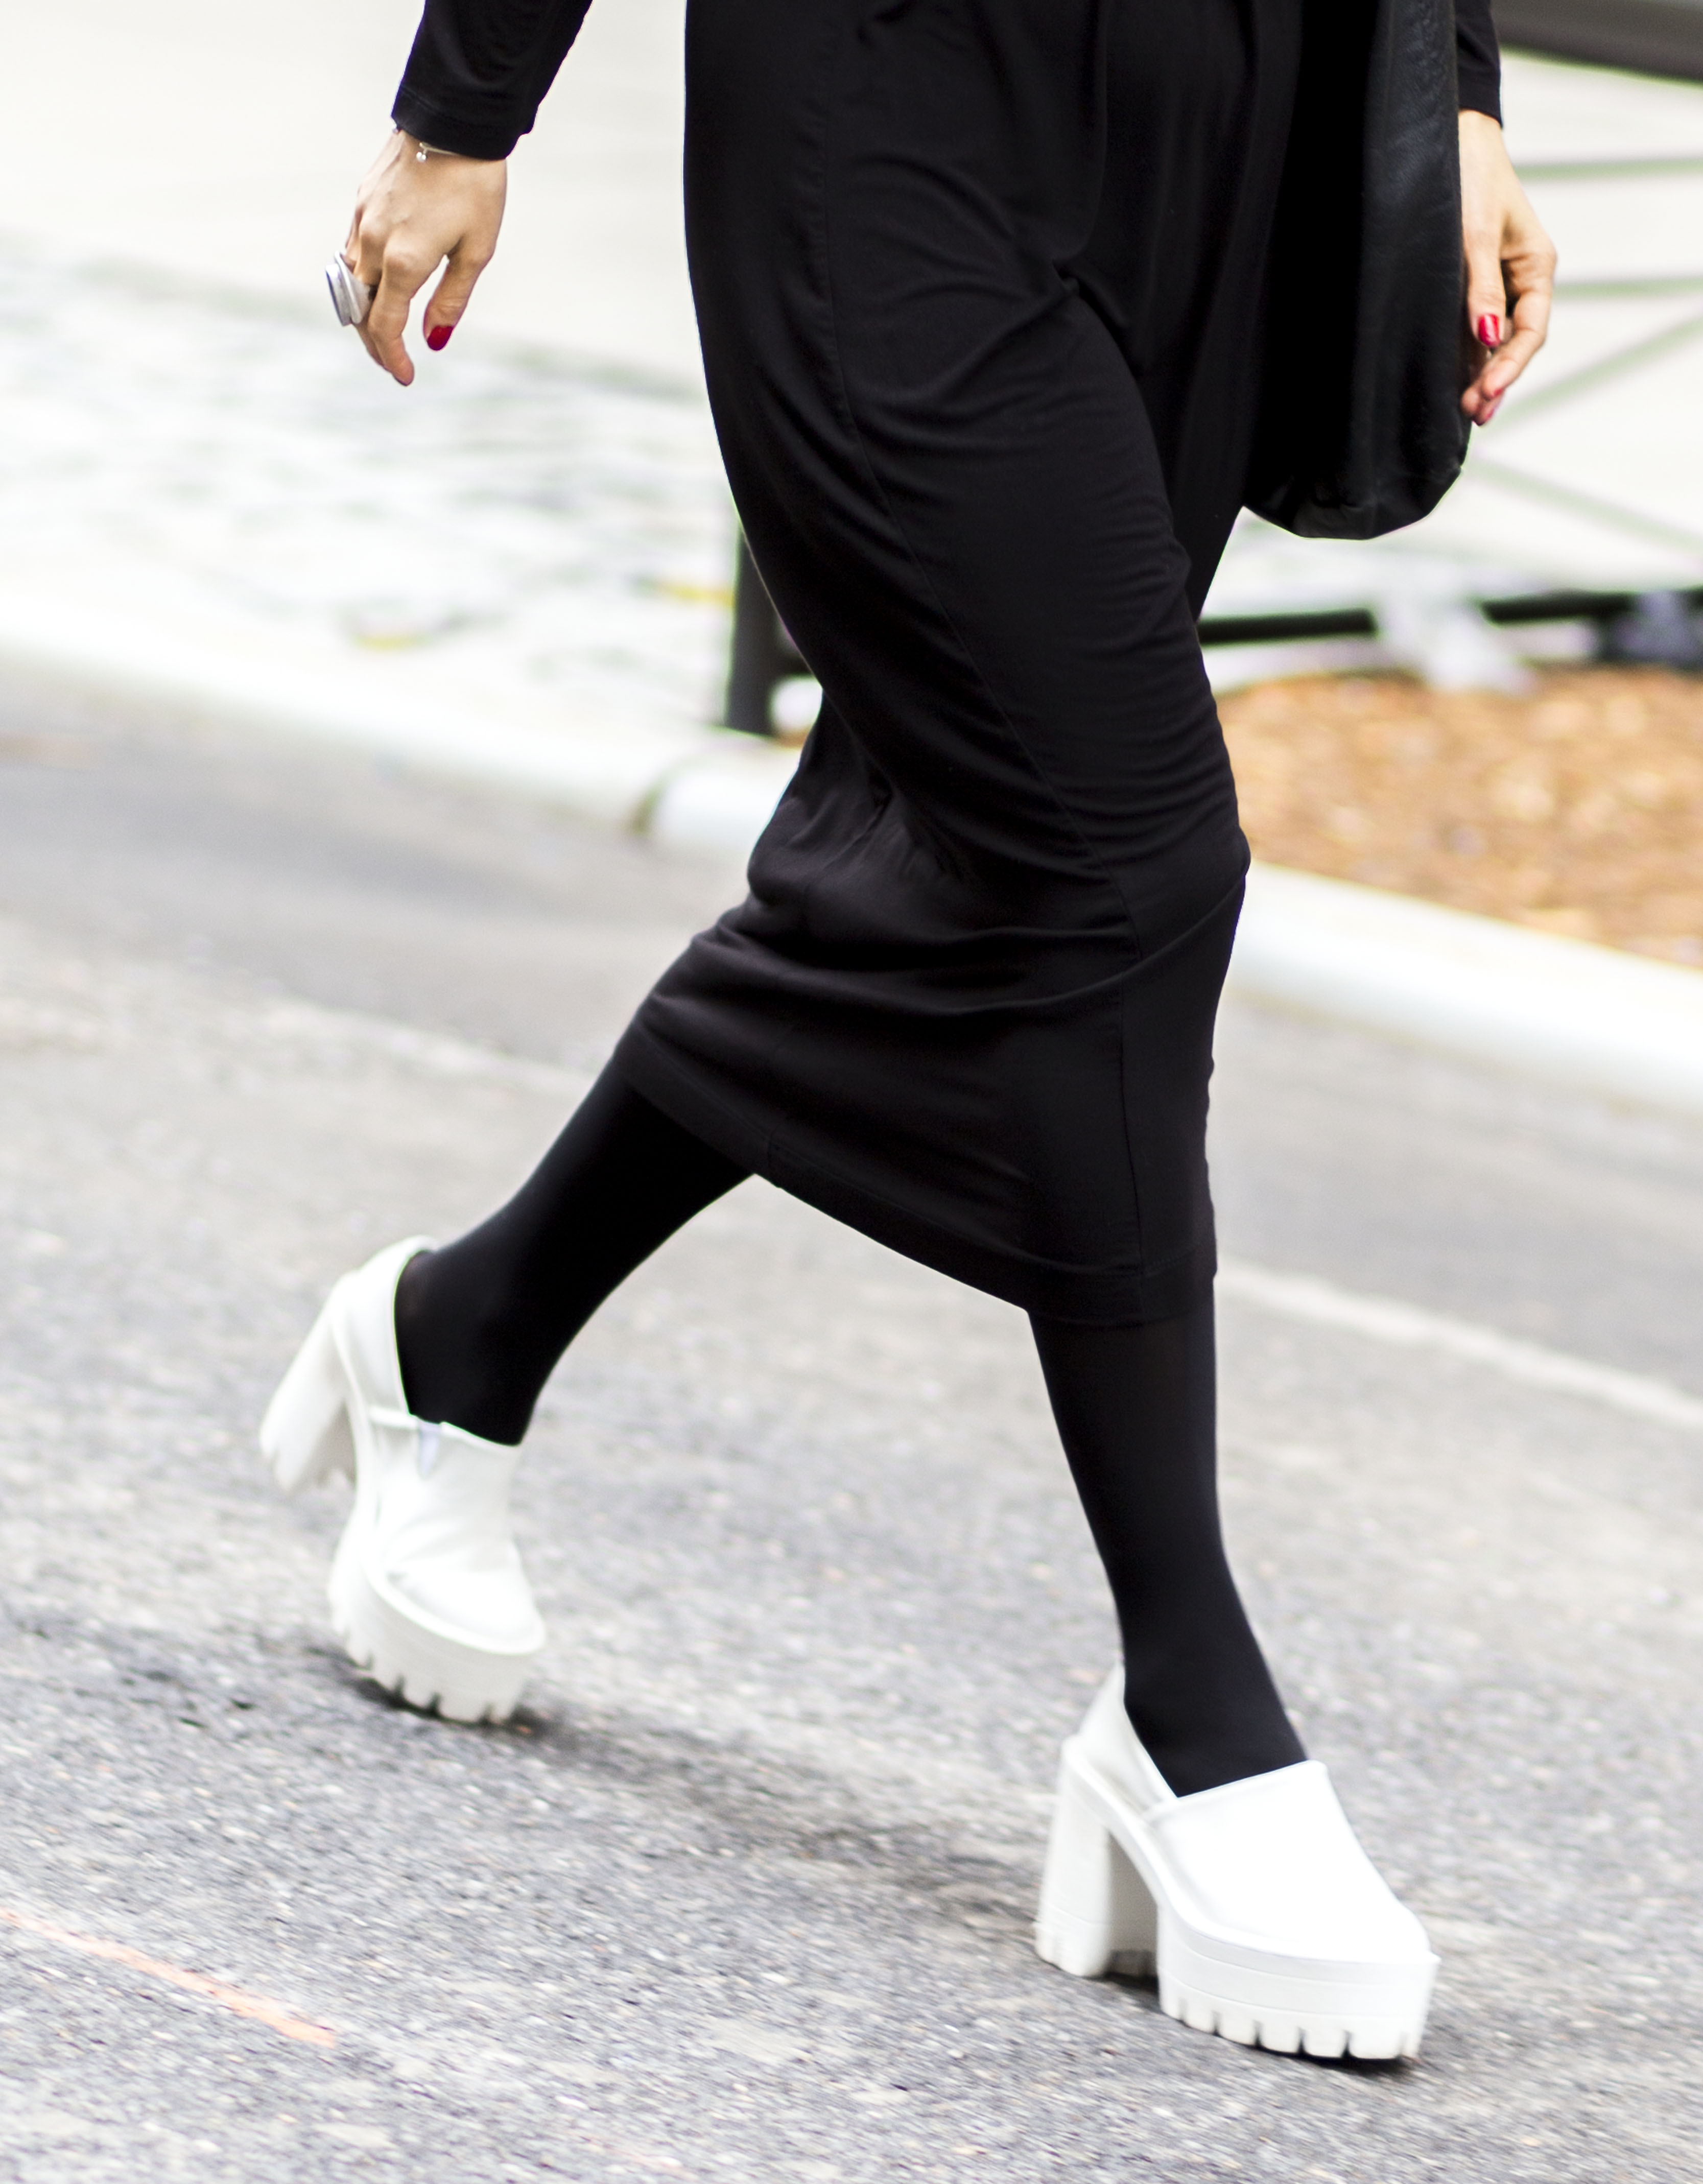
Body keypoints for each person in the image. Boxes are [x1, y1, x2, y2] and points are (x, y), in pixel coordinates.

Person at [264, 0, 1553, 2063]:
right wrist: (461, 106)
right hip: (888, 101)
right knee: (1124, 867)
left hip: (1237, 125)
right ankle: (1190, 1715)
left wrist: (1459, 93)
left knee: (955, 848)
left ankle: (462, 1336)